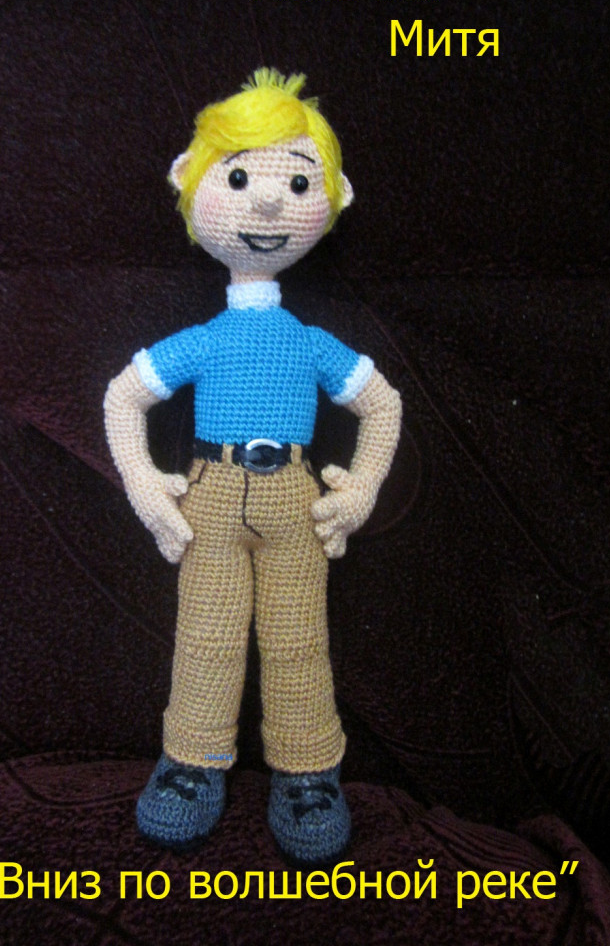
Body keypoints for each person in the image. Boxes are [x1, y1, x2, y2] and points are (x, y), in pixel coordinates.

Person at [104, 68, 402, 864]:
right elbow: (123, 397)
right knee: (204, 637)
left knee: (299, 641)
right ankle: (191, 761)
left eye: (297, 182)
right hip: (207, 497)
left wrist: (361, 490)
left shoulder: (310, 344)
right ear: (189, 183)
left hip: (296, 502)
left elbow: (383, 405)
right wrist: (144, 486)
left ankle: (308, 771)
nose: (268, 202)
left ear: (332, 198)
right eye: (237, 179)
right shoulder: (204, 341)